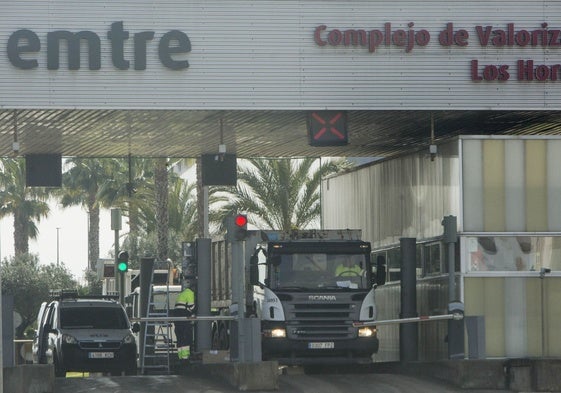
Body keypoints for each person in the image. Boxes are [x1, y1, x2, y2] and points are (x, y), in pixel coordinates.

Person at [173, 284, 195, 360]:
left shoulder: (182, 293)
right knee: (186, 337)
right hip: (183, 317)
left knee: (180, 338)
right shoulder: (190, 293)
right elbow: (191, 306)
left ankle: (181, 357)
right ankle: (185, 358)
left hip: (177, 318)